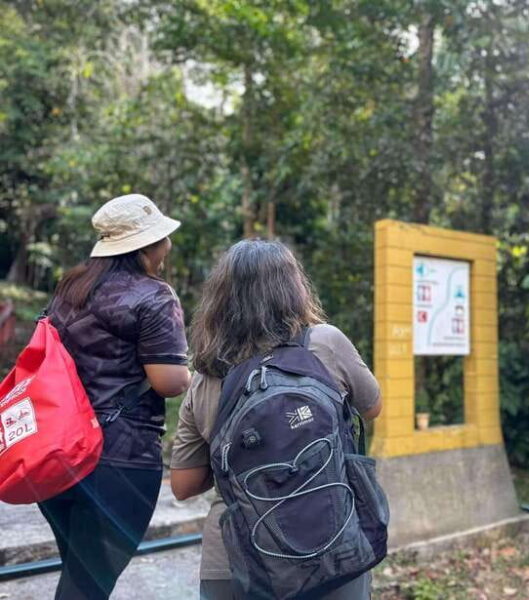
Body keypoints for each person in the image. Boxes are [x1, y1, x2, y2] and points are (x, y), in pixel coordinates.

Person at [170, 239, 382, 600]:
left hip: (237, 563)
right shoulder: (325, 345)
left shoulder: (205, 379)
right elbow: (372, 406)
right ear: (294, 289)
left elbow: (183, 485)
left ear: (220, 301)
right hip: (332, 550)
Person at [40, 193, 191, 600]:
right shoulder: (155, 296)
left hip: (59, 453)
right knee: (87, 586)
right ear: (149, 245)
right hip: (118, 460)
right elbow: (169, 382)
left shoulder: (71, 286)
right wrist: (195, 377)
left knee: (79, 574)